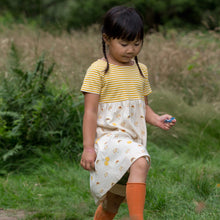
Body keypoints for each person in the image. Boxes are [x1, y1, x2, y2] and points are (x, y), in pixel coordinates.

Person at [80, 5, 176, 220]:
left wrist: (157, 119)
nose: (131, 49)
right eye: (124, 44)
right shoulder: (98, 70)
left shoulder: (141, 70)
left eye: (137, 43)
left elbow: (142, 107)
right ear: (107, 38)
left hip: (133, 139)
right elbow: (90, 113)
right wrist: (88, 148)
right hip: (109, 139)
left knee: (113, 201)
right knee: (141, 160)